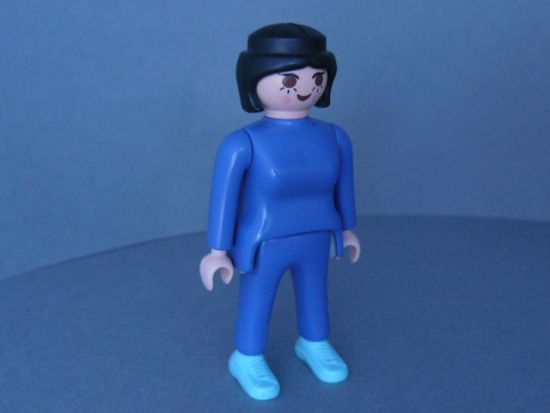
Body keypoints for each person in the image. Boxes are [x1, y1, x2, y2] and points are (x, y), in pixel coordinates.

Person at [199, 23, 360, 400]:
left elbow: (344, 187)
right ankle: (247, 357)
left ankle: (314, 342)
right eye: (289, 80)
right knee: (258, 298)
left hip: (318, 233)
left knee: (314, 293)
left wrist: (348, 229)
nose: (305, 87)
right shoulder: (243, 143)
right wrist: (217, 250)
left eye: (316, 77)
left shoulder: (334, 137)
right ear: (255, 79)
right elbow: (224, 199)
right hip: (265, 240)